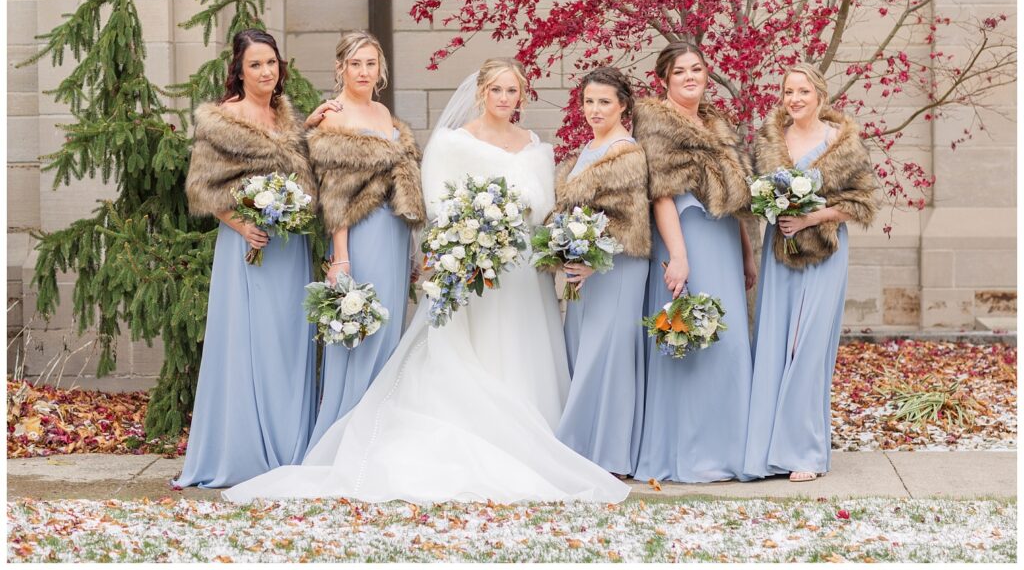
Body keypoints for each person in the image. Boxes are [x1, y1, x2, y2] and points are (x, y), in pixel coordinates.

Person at [222, 58, 630, 505]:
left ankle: (540, 434)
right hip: (475, 271)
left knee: (525, 348)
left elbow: (546, 210)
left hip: (524, 277)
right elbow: (437, 206)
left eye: (512, 91)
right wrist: (470, 242)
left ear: (523, 96)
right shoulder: (455, 143)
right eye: (495, 89)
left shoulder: (537, 147)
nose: (503, 99)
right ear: (481, 93)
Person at [174, 29, 317, 488]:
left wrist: (314, 124)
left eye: (271, 63)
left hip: (288, 249)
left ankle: (290, 446)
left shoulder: (287, 117)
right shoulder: (223, 119)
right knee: (249, 344)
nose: (266, 72)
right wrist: (241, 226)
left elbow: (302, 169)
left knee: (288, 345)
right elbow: (202, 188)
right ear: (239, 70)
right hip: (248, 246)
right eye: (255, 64)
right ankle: (242, 452)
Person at [743, 64, 879, 482]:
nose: (795, 99)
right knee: (775, 345)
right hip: (780, 254)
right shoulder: (769, 142)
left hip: (824, 254)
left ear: (820, 95)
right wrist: (773, 208)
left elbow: (862, 202)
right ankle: (767, 449)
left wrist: (812, 216)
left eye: (803, 91)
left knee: (808, 346)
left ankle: (804, 451)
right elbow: (752, 196)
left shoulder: (841, 142)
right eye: (788, 91)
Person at [631, 41, 757, 483]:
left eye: (697, 69)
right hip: (685, 241)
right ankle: (685, 454)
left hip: (722, 240)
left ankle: (729, 451)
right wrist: (678, 257)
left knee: (730, 344)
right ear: (664, 78)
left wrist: (745, 252)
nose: (690, 77)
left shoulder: (716, 124)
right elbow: (662, 194)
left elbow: (734, 196)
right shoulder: (654, 121)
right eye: (680, 71)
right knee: (688, 342)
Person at [302, 30, 426, 454]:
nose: (363, 71)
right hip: (360, 234)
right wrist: (340, 257)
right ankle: (343, 437)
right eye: (355, 63)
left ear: (381, 69)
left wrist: (412, 250)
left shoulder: (384, 114)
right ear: (341, 68)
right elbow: (334, 195)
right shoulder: (334, 118)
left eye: (370, 63)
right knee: (359, 330)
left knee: (389, 330)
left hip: (392, 235)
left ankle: (378, 439)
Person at [552, 67, 650, 476]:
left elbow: (631, 217)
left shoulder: (627, 153)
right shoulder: (585, 151)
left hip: (618, 266)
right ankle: (584, 447)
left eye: (604, 102)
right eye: (589, 101)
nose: (594, 109)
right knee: (581, 349)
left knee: (607, 356)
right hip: (583, 268)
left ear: (623, 105)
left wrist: (594, 258)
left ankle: (609, 455)